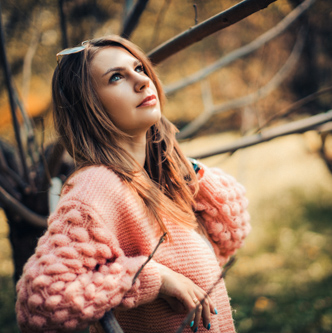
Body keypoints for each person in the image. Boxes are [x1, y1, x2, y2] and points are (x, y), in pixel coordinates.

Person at [15, 35, 251, 333]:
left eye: (139, 68)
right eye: (116, 77)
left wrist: (178, 166)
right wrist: (151, 278)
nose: (141, 82)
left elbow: (231, 233)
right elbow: (41, 303)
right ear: (89, 106)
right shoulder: (97, 187)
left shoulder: (152, 178)